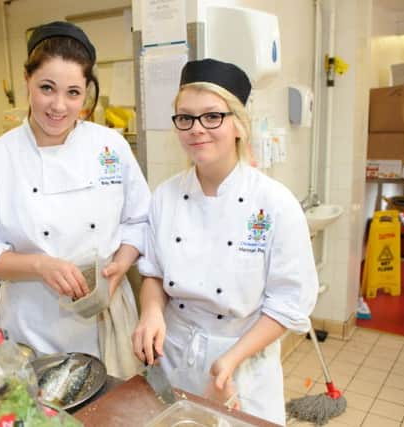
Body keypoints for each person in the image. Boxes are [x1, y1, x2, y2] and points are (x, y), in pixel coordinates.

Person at [132, 58, 318, 425]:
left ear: (238, 124)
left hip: (242, 360)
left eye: (212, 116)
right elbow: (153, 272)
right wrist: (151, 312)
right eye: (185, 117)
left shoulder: (275, 204)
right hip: (175, 352)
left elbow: (288, 303)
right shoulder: (165, 197)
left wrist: (231, 359)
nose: (196, 129)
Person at [0, 21, 150, 376]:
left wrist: (120, 265)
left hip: (105, 319)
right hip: (32, 323)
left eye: (73, 93)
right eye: (47, 88)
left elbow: (139, 220)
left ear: (86, 93)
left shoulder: (110, 147)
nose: (59, 106)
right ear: (27, 81)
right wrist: (39, 266)